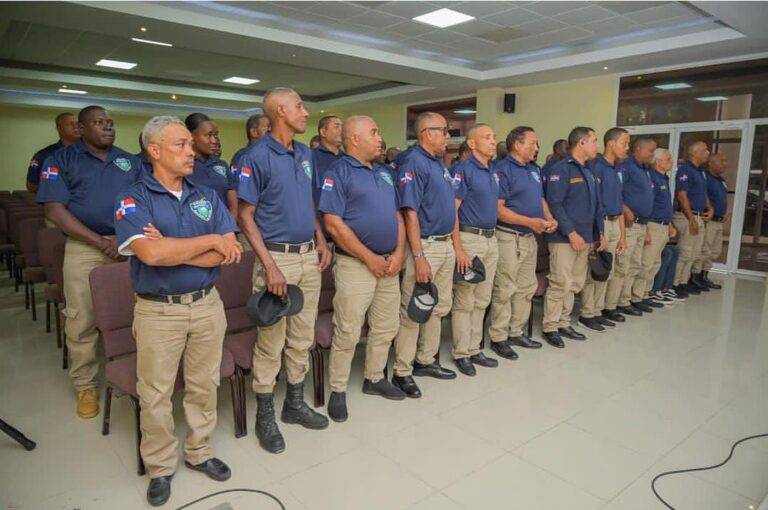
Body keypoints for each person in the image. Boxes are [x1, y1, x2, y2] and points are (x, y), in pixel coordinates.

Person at [114, 116, 241, 507]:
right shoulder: (133, 199)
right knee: (156, 393)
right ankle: (160, 467)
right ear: (154, 150)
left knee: (205, 385)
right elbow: (151, 255)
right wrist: (208, 242)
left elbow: (232, 249)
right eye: (181, 145)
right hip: (158, 312)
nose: (191, 152)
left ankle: (199, 452)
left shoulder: (207, 195)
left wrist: (174, 247)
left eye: (190, 145)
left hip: (207, 305)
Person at [237, 87, 332, 454]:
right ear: (279, 111)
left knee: (301, 337)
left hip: (308, 255)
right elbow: (244, 216)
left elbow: (308, 200)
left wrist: (320, 239)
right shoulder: (255, 155)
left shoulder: (305, 152)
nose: (306, 112)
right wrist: (269, 265)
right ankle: (266, 415)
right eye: (298, 107)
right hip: (277, 259)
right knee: (271, 342)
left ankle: (294, 404)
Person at [37, 105, 143, 418]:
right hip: (84, 248)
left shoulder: (130, 161)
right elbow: (54, 211)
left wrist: (122, 238)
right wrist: (99, 241)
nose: (107, 127)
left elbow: (144, 201)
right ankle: (85, 385)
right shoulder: (59, 161)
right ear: (81, 129)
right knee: (80, 319)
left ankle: (132, 370)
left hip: (127, 245)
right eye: (98, 123)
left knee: (137, 313)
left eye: (110, 122)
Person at [318, 116, 407, 421]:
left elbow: (397, 216)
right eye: (374, 132)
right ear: (354, 139)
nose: (379, 138)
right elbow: (332, 223)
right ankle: (338, 389)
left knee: (386, 327)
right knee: (348, 330)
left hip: (389, 263)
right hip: (356, 265)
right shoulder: (338, 172)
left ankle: (375, 378)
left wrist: (399, 253)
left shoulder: (384, 173)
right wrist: (369, 257)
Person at [392, 112, 457, 398]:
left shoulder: (437, 163)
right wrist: (418, 256)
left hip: (444, 245)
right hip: (425, 246)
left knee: (437, 308)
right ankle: (402, 371)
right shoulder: (414, 162)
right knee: (413, 309)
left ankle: (425, 360)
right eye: (443, 131)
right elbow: (410, 212)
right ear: (426, 133)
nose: (448, 136)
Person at [489, 126, 556, 357]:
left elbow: (539, 198)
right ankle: (499, 337)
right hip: (509, 237)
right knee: (505, 288)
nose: (537, 148)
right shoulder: (502, 170)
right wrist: (530, 222)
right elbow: (499, 210)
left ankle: (516, 332)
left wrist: (548, 218)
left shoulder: (534, 170)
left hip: (530, 237)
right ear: (517, 145)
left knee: (526, 288)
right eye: (533, 143)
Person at [542, 127, 604, 347]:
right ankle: (550, 326)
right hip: (564, 238)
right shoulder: (561, 169)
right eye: (595, 140)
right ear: (581, 143)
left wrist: (599, 233)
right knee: (560, 282)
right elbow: (555, 204)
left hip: (586, 237)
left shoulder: (587, 171)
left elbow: (596, 206)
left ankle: (563, 322)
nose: (598, 145)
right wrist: (571, 232)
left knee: (574, 284)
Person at [449, 124, 501, 376]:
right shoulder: (463, 170)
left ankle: (474, 347)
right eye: (487, 138)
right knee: (465, 300)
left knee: (482, 299)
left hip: (491, 239)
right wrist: (458, 248)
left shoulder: (493, 170)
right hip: (470, 239)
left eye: (493, 138)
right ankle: (461, 353)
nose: (493, 142)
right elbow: (452, 212)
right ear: (471, 144)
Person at [579, 128, 628, 331]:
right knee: (596, 269)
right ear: (611, 144)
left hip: (616, 223)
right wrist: (599, 231)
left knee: (608, 269)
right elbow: (593, 202)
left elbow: (619, 202)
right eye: (624, 143)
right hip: (602, 223)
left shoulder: (614, 169)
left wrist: (623, 235)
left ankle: (599, 310)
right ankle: (587, 312)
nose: (627, 148)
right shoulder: (596, 167)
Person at [604, 138, 656, 317]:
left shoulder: (644, 169)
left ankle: (624, 301)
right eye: (650, 150)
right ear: (639, 149)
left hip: (641, 223)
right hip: (628, 224)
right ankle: (610, 305)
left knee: (633, 266)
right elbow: (617, 191)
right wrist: (625, 209)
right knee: (621, 266)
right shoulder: (625, 166)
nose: (652, 154)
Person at [634, 147, 678, 306]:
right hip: (652, 225)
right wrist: (645, 229)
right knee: (646, 264)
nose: (671, 162)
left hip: (663, 226)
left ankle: (646, 293)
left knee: (655, 263)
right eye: (668, 159)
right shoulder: (652, 178)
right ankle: (637, 297)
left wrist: (670, 224)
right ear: (658, 161)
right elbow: (648, 205)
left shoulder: (664, 178)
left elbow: (664, 206)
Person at [673, 141, 713, 295]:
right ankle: (675, 284)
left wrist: (710, 207)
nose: (708, 152)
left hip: (698, 215)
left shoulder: (701, 171)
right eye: (705, 150)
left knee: (695, 253)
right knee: (685, 253)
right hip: (687, 216)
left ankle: (684, 281)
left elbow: (703, 193)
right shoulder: (685, 170)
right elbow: (682, 196)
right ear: (694, 153)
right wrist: (690, 220)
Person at [184, 113, 238, 218]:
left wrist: (231, 225)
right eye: (208, 135)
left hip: (224, 227)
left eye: (216, 135)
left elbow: (232, 199)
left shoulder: (221, 164)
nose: (214, 140)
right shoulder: (183, 165)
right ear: (191, 136)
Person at [26, 112, 80, 192]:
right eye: (70, 124)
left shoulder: (92, 152)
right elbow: (31, 185)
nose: (76, 127)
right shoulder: (45, 155)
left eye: (77, 124)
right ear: (59, 128)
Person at [700, 153, 728, 289]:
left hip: (719, 220)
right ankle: (696, 277)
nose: (725, 163)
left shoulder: (721, 180)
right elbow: (704, 196)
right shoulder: (705, 177)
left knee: (714, 251)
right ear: (711, 163)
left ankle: (705, 275)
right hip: (709, 220)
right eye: (721, 160)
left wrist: (725, 212)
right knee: (705, 249)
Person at [312, 115, 343, 205]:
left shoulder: (347, 158)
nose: (341, 130)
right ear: (323, 132)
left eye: (342, 127)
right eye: (336, 126)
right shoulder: (311, 157)